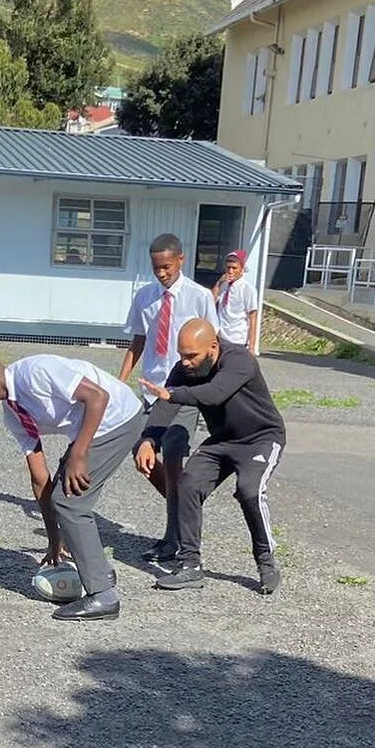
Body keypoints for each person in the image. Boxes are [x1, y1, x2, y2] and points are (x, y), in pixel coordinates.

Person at [0, 344, 144, 622]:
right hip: (93, 427)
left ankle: (103, 596)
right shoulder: (13, 414)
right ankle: (99, 571)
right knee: (62, 497)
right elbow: (39, 478)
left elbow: (98, 397)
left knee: (71, 504)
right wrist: (53, 541)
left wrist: (78, 454)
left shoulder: (36, 372)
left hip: (117, 417)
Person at [139, 316, 286, 596]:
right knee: (188, 484)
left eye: (192, 356)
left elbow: (215, 394)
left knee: (249, 491)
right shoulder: (186, 368)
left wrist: (173, 395)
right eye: (181, 356)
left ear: (213, 347)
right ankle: (190, 565)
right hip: (222, 440)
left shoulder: (240, 360)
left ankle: (266, 562)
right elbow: (165, 404)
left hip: (261, 439)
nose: (185, 363)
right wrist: (149, 440)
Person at [119, 232, 216, 567]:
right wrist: (119, 384)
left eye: (166, 266)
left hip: (182, 395)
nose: (161, 273)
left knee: (174, 461)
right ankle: (183, 509)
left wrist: (208, 393)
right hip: (150, 392)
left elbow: (211, 347)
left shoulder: (200, 297)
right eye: (156, 267)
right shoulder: (145, 297)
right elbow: (138, 343)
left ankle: (173, 536)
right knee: (142, 456)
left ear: (180, 261)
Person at [214, 249, 260, 352]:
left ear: (242, 269)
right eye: (228, 267)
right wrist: (218, 284)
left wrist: (251, 346)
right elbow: (211, 302)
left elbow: (252, 317)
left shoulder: (247, 289)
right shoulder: (223, 285)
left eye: (234, 268)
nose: (230, 271)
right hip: (220, 337)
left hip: (237, 339)